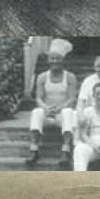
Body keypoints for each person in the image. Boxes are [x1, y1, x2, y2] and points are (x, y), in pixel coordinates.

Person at [27, 38, 79, 166]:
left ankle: (65, 151)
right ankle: (34, 150)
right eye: (52, 58)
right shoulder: (42, 77)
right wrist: (46, 108)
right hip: (48, 113)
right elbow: (38, 98)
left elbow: (72, 99)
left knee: (68, 112)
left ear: (63, 60)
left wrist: (59, 108)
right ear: (48, 60)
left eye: (57, 58)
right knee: (36, 112)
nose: (54, 61)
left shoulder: (70, 77)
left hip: (62, 114)